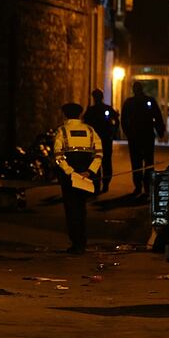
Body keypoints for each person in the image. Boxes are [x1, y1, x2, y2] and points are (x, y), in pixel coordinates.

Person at [54, 103, 103, 254]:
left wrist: (70, 172)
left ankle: (76, 243)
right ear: (80, 114)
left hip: (69, 176)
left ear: (65, 115)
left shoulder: (62, 131)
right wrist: (89, 171)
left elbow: (58, 155)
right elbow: (99, 153)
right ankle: (82, 241)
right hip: (85, 175)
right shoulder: (90, 130)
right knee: (81, 208)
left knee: (71, 208)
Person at [121, 81, 165, 197]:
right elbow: (157, 117)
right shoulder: (148, 101)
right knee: (148, 162)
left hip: (137, 136)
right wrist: (160, 131)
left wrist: (128, 133)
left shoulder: (129, 102)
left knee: (137, 162)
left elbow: (124, 120)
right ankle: (145, 187)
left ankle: (140, 187)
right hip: (146, 136)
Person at [82, 89, 119, 193]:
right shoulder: (95, 109)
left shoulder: (93, 110)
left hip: (101, 139)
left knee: (99, 162)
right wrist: (114, 132)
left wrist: (113, 132)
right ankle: (102, 184)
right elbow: (116, 121)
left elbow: (116, 120)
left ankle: (99, 184)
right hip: (103, 139)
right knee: (103, 162)